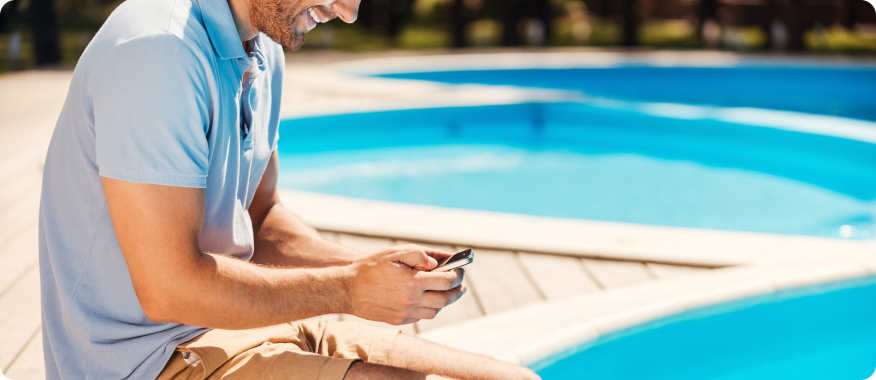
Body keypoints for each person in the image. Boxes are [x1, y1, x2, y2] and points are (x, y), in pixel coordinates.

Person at [37, 0, 542, 378]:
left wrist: (373, 271)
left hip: (233, 325)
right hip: (144, 360)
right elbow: (170, 289)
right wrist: (349, 289)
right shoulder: (157, 52)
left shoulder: (262, 45)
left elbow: (261, 219)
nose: (347, 12)